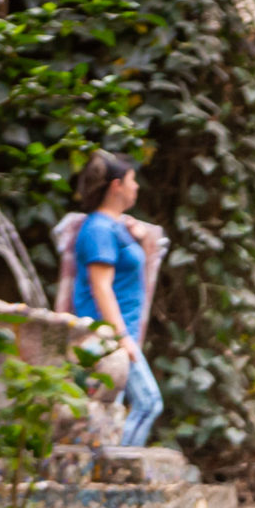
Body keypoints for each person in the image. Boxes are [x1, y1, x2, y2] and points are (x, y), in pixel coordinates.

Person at [67, 153, 165, 445]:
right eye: (132, 181)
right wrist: (121, 338)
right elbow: (101, 287)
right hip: (107, 338)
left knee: (110, 412)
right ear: (116, 186)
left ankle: (108, 472)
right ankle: (119, 471)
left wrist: (140, 238)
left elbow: (138, 274)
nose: (137, 188)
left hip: (120, 335)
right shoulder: (99, 229)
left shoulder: (116, 227)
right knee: (148, 403)